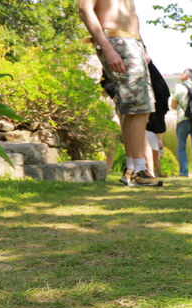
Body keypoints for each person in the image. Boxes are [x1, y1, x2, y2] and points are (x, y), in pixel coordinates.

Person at [77, 0, 156, 186]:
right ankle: (138, 171)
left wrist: (142, 46)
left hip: (131, 42)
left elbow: (130, 13)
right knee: (139, 107)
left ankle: (131, 170)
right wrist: (107, 48)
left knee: (133, 110)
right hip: (117, 40)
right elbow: (84, 9)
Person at [171, 68, 192, 177]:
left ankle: (183, 173)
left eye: (182, 73)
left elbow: (173, 105)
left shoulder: (179, 87)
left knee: (181, 147)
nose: (180, 74)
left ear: (186, 75)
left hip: (183, 120)